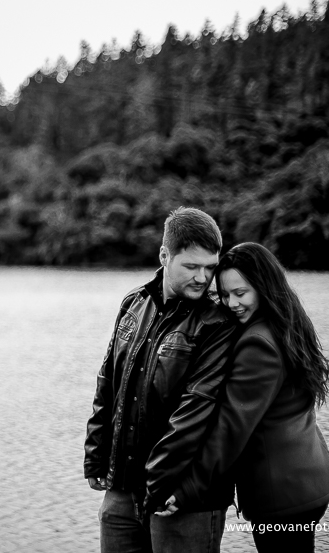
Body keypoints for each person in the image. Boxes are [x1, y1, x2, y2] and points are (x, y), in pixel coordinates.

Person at [152, 242, 329, 553]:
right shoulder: (285, 324)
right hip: (307, 479)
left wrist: (188, 489)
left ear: (264, 288)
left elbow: (232, 427)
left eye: (240, 293)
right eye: (225, 295)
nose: (232, 303)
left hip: (282, 492)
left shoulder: (258, 344)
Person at [85, 207, 239, 553]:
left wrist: (158, 485)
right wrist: (96, 455)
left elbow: (196, 410)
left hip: (182, 497)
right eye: (191, 266)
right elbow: (108, 382)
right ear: (164, 256)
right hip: (123, 488)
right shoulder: (134, 303)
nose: (202, 278)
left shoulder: (218, 323)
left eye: (210, 267)